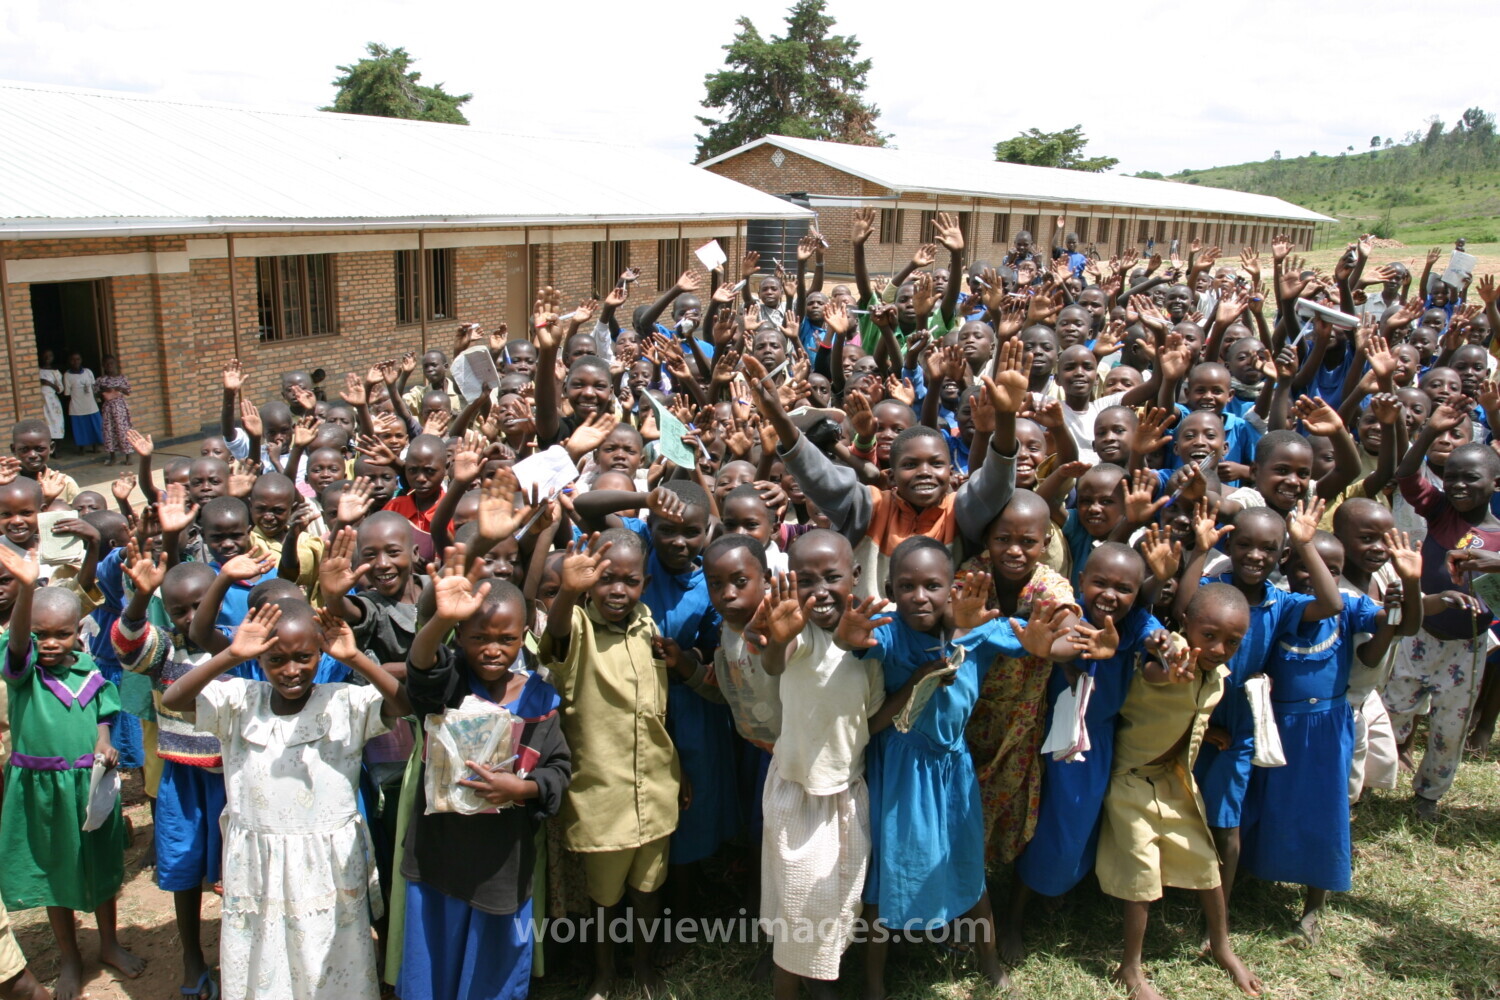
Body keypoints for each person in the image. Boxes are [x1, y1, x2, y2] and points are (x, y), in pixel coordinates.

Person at [161, 601, 410, 1000]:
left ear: (321, 653)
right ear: (260, 657)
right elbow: (174, 699)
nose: (291, 670)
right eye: (276, 659)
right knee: (263, 954)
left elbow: (403, 704)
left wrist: (355, 657)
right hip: (258, 863)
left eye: (304, 657)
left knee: (330, 957)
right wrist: (231, 654)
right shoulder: (240, 701)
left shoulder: (344, 701)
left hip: (326, 865)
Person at [399, 564, 571, 1000]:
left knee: (492, 969)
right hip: (439, 853)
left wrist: (523, 789)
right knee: (434, 961)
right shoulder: (451, 683)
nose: (492, 650)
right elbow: (421, 668)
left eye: (506, 639)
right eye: (478, 638)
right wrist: (441, 620)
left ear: (526, 633)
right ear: (459, 637)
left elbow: (558, 770)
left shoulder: (540, 699)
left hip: (503, 861)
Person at [1096, 584, 1261, 1000]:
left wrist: (1207, 735)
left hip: (1172, 777)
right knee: (1141, 871)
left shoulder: (1216, 675)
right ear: (1186, 625)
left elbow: (1188, 711)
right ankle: (1129, 968)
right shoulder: (1174, 657)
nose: (1220, 648)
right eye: (1210, 636)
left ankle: (1221, 946)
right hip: (1131, 777)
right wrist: (1169, 666)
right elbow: (1157, 674)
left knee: (1206, 859)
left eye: (1233, 642)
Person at [539, 530, 681, 1000]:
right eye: (605, 580)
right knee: (605, 897)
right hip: (603, 791)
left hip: (656, 786)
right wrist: (568, 591)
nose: (618, 590)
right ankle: (604, 973)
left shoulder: (647, 623)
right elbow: (555, 639)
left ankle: (643, 966)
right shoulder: (576, 626)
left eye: (630, 580)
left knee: (648, 887)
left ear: (645, 582)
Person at [0, 544, 145, 1000]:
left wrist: (104, 746)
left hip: (89, 787)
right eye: (40, 635)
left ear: (77, 634)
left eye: (60, 634)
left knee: (101, 866)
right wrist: (26, 588)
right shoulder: (22, 671)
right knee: (54, 872)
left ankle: (108, 943)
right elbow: (20, 644)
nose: (49, 643)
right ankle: (69, 958)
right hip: (40, 790)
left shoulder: (88, 670)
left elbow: (103, 719)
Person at [62, 353, 102, 456]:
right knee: (80, 429)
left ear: (81, 360)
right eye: (73, 359)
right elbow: (67, 393)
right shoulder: (67, 375)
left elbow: (94, 387)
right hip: (77, 405)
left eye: (78, 359)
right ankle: (82, 449)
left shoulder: (88, 372)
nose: (75, 362)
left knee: (94, 426)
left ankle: (95, 447)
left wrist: (97, 398)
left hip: (91, 404)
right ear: (69, 361)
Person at [96, 355, 132, 466]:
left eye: (111, 363)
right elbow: (96, 395)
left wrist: (120, 389)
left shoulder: (122, 378)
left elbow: (128, 391)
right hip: (108, 409)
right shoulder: (101, 380)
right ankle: (112, 457)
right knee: (109, 431)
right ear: (103, 366)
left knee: (124, 431)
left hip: (120, 408)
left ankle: (128, 457)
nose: (109, 366)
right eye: (106, 364)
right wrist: (103, 390)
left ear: (115, 364)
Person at [37, 350, 64, 443]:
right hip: (41, 401)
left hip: (52, 402)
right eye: (45, 356)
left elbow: (60, 389)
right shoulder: (37, 370)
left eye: (50, 356)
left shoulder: (55, 372)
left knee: (56, 424)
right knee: (45, 424)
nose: (47, 358)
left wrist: (48, 383)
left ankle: (56, 448)